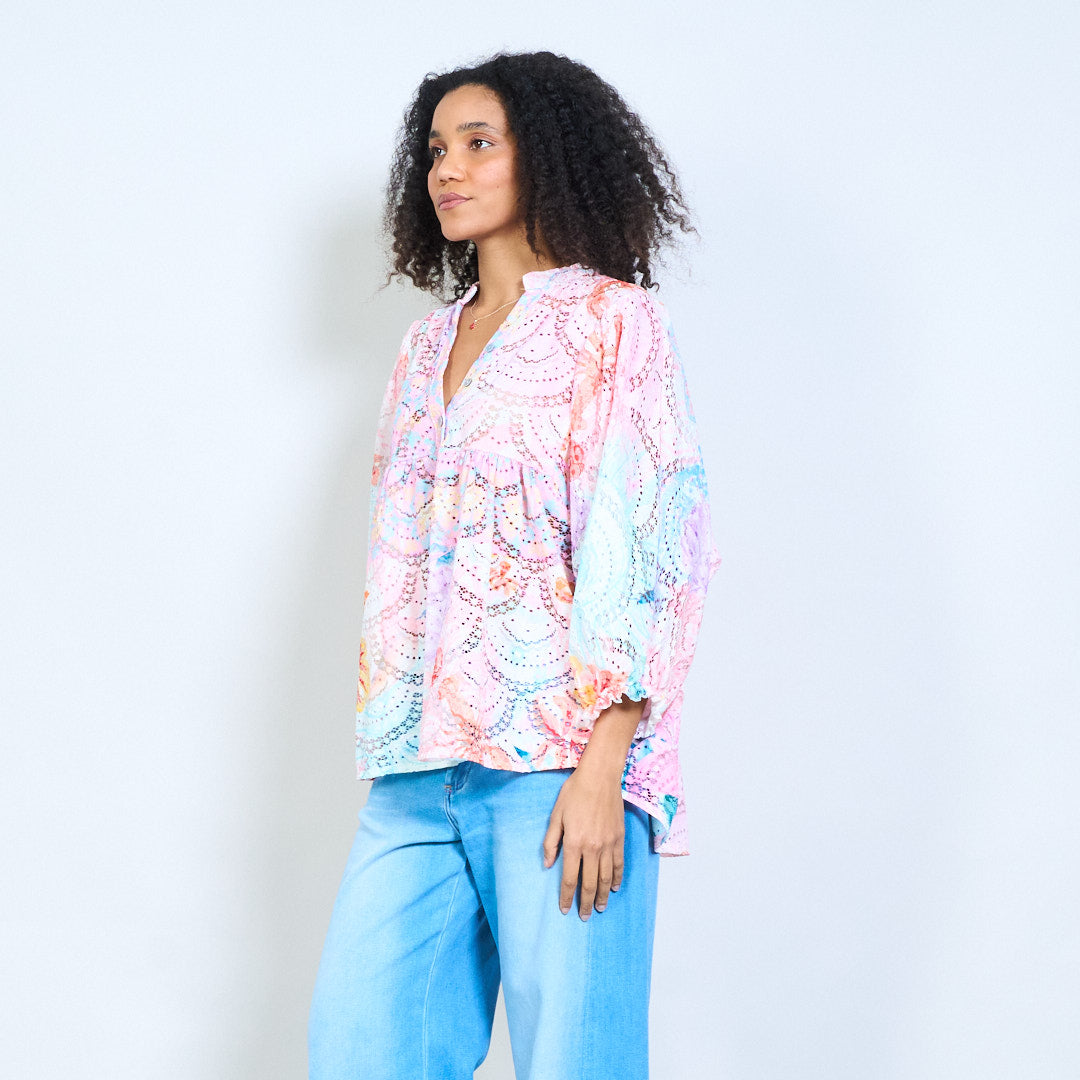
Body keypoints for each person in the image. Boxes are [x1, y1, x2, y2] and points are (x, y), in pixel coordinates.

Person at [308, 50, 722, 1080]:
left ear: (548, 157)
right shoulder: (423, 349)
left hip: (559, 765)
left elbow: (651, 546)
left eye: (479, 143)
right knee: (361, 1052)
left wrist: (604, 767)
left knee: (577, 1062)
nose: (447, 169)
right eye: (436, 150)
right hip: (415, 771)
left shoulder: (613, 324)